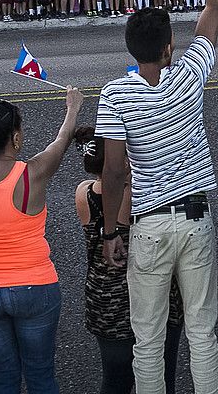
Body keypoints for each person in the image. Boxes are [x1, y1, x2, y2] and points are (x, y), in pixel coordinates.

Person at [96, 0, 218, 394]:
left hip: (148, 224)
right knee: (202, 333)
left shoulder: (115, 94)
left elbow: (113, 173)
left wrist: (112, 230)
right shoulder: (189, 75)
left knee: (146, 340)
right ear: (170, 46)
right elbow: (213, 6)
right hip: (195, 219)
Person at [0, 90, 86, 394]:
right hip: (35, 287)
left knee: (1, 375)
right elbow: (60, 143)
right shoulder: (32, 174)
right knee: (40, 374)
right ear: (15, 138)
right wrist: (73, 108)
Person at [76, 139, 185, 394]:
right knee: (160, 372)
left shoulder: (83, 192)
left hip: (104, 298)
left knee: (115, 379)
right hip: (147, 294)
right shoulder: (132, 193)